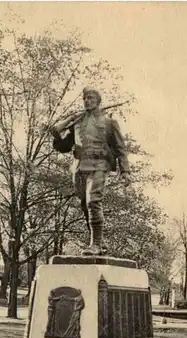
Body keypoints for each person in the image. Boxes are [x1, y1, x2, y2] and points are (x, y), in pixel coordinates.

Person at [50, 87, 130, 256]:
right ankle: (99, 243)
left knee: (93, 202)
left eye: (91, 97)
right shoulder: (77, 122)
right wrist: (57, 135)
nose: (87, 100)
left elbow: (120, 147)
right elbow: (65, 146)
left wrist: (125, 171)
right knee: (85, 206)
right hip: (79, 167)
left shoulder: (109, 122)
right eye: (85, 98)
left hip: (99, 164)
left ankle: (95, 244)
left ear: (98, 101)